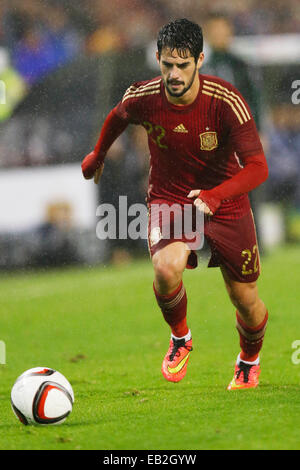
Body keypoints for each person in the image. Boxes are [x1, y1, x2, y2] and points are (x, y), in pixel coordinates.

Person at [81, 19, 269, 390]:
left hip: (225, 199)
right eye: (167, 64)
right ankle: (181, 339)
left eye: (183, 65)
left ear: (200, 60)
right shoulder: (144, 96)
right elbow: (118, 116)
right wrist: (98, 153)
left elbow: (259, 167)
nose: (174, 73)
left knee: (244, 298)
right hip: (172, 198)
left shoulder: (225, 100)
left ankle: (249, 359)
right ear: (158, 60)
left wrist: (216, 195)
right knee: (166, 270)